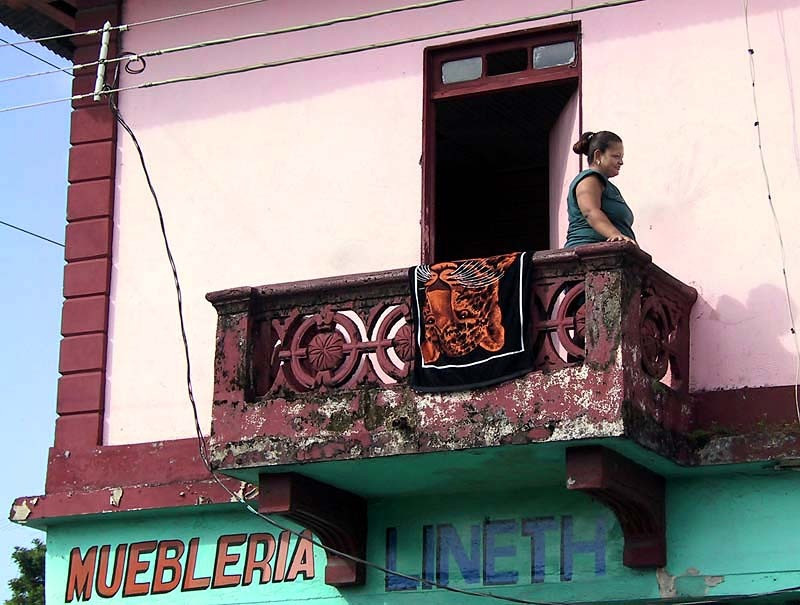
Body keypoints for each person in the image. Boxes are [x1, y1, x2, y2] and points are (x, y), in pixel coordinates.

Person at [564, 130, 637, 248]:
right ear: (598, 155)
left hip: (613, 254)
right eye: (616, 156)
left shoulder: (610, 187)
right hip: (588, 253)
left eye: (622, 157)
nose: (621, 162)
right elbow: (590, 211)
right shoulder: (589, 179)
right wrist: (616, 235)